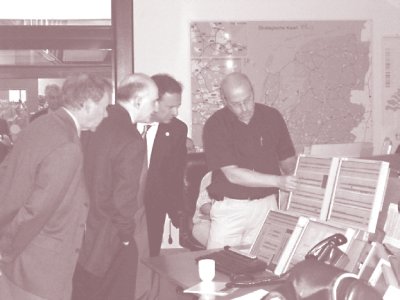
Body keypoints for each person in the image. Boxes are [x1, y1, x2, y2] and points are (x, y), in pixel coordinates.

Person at [0, 73, 111, 300]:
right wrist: (5, 250)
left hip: (24, 260)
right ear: (87, 105)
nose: (107, 113)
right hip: (38, 266)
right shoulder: (67, 146)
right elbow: (36, 211)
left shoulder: (42, 124)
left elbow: (6, 173)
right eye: (104, 106)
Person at [72, 73, 159, 300]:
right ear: (138, 101)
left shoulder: (95, 124)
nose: (156, 108)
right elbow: (124, 200)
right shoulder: (131, 139)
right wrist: (126, 236)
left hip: (84, 235)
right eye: (154, 101)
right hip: (112, 239)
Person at [202, 72, 298, 249]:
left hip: (267, 206)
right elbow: (232, 174)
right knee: (219, 264)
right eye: (236, 104)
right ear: (225, 100)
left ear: (253, 92)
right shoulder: (215, 125)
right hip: (231, 208)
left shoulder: (272, 117)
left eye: (247, 100)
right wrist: (278, 181)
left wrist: (293, 175)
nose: (245, 108)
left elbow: (287, 159)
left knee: (263, 265)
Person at [142, 73, 188, 257]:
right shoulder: (125, 125)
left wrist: (177, 210)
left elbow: (175, 173)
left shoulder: (178, 130)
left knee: (151, 256)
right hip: (121, 207)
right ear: (153, 101)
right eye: (170, 107)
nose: (176, 112)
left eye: (178, 107)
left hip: (154, 206)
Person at [191, 171, 212, 246]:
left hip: (232, 222)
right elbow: (205, 208)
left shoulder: (246, 176)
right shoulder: (211, 176)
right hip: (204, 223)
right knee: (223, 247)